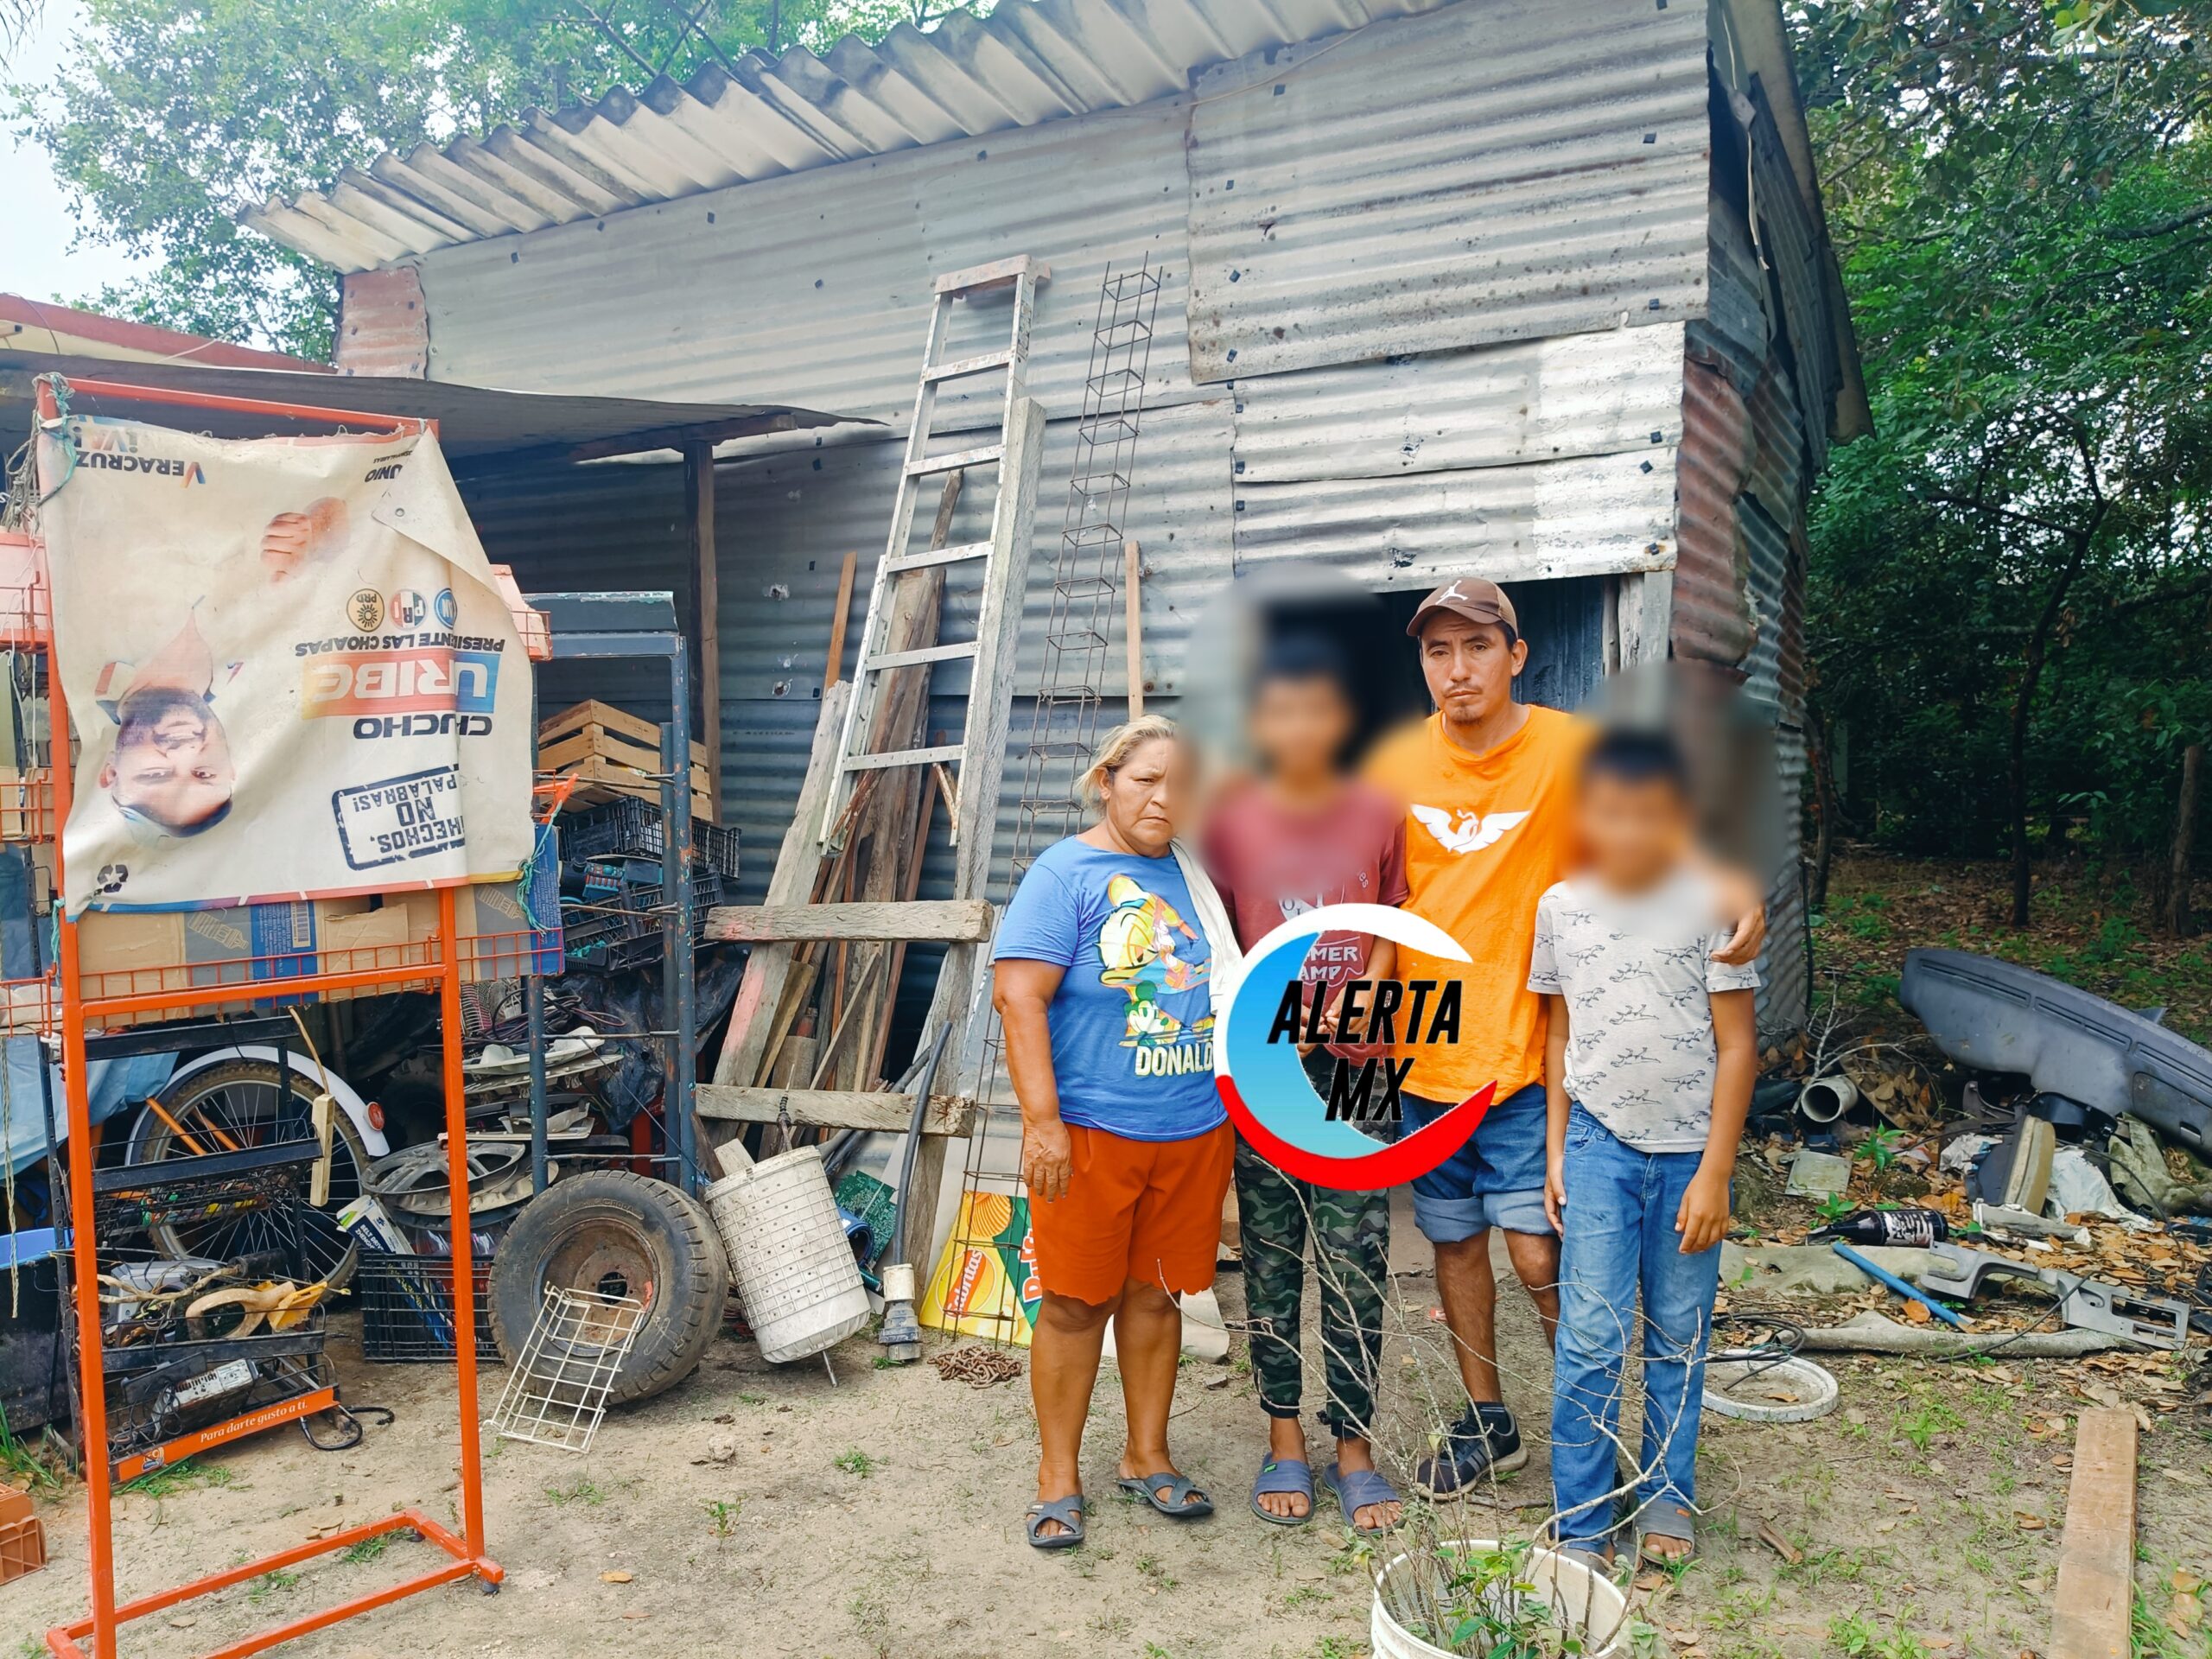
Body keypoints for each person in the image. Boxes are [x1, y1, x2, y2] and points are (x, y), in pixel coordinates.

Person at [1363, 578, 1764, 1497]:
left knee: (1541, 1253)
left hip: (1533, 1050)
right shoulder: (1394, 765)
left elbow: (1656, 823)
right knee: (1453, 1244)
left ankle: (1592, 1433)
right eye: (1437, 651)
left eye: (1476, 646)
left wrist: (1731, 882)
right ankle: (1489, 1422)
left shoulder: (1573, 749)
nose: (1457, 669)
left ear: (1516, 654)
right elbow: (1372, 893)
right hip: (1426, 1055)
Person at [992, 715, 1238, 1550]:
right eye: (1146, 780)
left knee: (1158, 1295)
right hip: (1092, 1133)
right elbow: (1018, 998)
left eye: (1182, 785)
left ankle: (1146, 1455)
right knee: (1073, 1303)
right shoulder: (1065, 874)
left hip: (1193, 1128)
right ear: (1106, 782)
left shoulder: (1195, 877)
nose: (1165, 798)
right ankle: (1058, 1476)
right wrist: (1043, 1125)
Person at [1532, 729, 1758, 1567]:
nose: (1628, 830)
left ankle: (1667, 1496)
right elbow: (1559, 1035)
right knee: (1590, 1338)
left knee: (1676, 1336)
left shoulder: (1712, 907)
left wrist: (1717, 1173)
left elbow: (1738, 1046)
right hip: (1598, 1146)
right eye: (1610, 812)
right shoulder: (1560, 909)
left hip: (1689, 1155)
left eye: (1649, 814)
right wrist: (1557, 1150)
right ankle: (1584, 1517)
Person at [1200, 635, 1408, 1535]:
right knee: (1273, 1254)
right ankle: (1283, 1435)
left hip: (1360, 1067)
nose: (1300, 726)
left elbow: (1393, 922)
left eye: (1316, 709)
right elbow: (1211, 941)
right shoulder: (1229, 823)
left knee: (1357, 1258)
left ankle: (1353, 1445)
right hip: (1268, 1067)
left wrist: (1366, 993)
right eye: (1281, 710)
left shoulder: (1377, 811)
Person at [93, 613, 235, 837]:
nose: (184, 750)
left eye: (156, 774)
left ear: (111, 771)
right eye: (203, 774)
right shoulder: (237, 668)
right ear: (230, 768)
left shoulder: (90, 667)